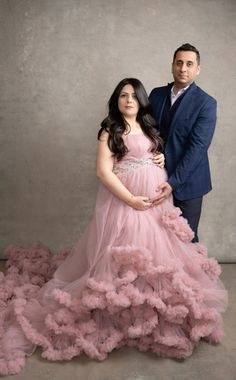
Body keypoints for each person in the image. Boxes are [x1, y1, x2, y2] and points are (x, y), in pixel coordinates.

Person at [0, 78, 227, 376]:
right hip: (126, 203)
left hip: (156, 203)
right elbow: (103, 172)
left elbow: (157, 153)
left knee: (156, 257)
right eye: (123, 95)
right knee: (124, 257)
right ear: (116, 100)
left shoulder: (149, 126)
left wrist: (160, 157)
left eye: (134, 95)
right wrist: (132, 199)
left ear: (142, 101)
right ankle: (120, 311)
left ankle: (150, 310)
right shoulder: (111, 130)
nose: (129, 100)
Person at [149, 43, 217, 242]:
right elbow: (147, 130)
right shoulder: (156, 94)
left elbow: (198, 148)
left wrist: (173, 183)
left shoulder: (206, 103)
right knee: (158, 238)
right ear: (172, 65)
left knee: (185, 239)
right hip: (155, 177)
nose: (183, 68)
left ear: (198, 69)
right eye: (179, 63)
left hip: (189, 182)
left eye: (189, 64)